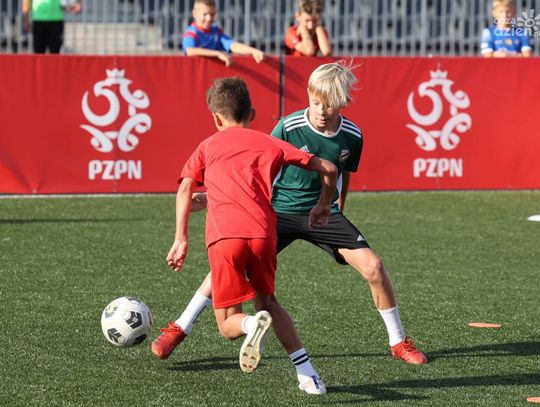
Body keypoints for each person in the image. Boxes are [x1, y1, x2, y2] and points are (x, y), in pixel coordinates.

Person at [152, 61, 427, 369]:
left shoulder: (353, 135)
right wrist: (211, 196)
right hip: (277, 210)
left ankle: (398, 342)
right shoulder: (288, 126)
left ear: (343, 102)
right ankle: (180, 328)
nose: (321, 111)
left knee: (374, 267)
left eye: (329, 105)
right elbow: (253, 165)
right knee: (224, 268)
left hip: (322, 213)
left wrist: (334, 206)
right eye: (316, 102)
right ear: (308, 94)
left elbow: (342, 172)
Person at [165, 76, 338, 394]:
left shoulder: (208, 145)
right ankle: (308, 376)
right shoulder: (270, 143)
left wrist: (181, 238)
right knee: (268, 302)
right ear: (252, 114)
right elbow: (329, 168)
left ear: (216, 118)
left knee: (228, 325)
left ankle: (250, 324)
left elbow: (186, 189)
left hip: (225, 238)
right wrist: (325, 204)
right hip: (263, 235)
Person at [182, 0, 265, 67]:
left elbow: (232, 45)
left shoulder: (216, 31)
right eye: (205, 14)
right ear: (194, 14)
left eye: (212, 14)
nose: (208, 18)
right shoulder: (191, 32)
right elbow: (190, 51)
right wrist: (217, 54)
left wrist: (253, 51)